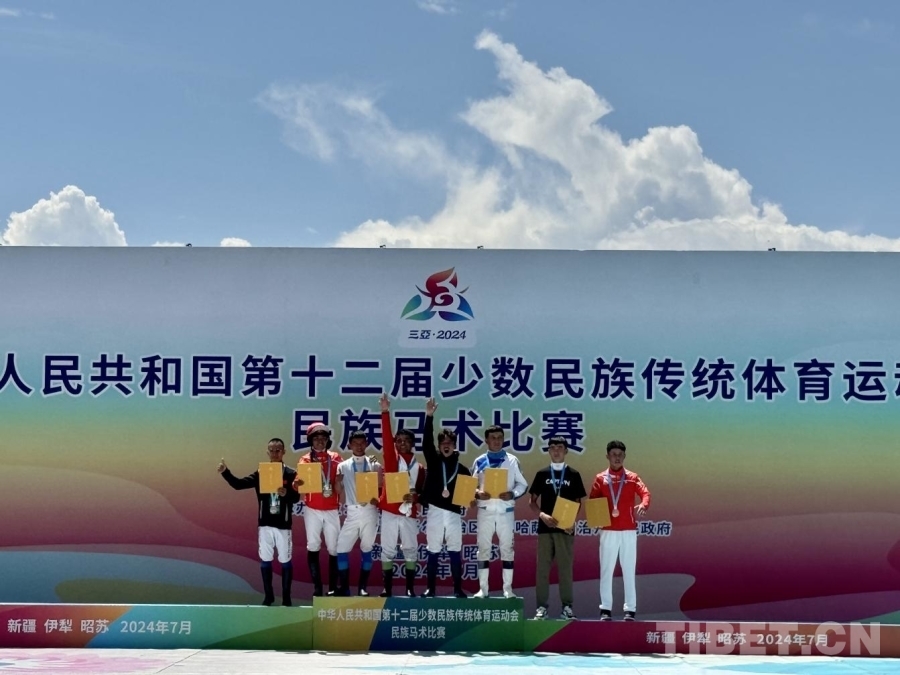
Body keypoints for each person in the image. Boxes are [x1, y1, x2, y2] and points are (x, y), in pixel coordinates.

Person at [217, 438, 300, 606]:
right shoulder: (261, 472)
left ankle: (286, 598)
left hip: (283, 525)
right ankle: (268, 597)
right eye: (272, 450)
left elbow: (296, 498)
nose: (275, 453)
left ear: (284, 452)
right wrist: (226, 472)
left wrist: (287, 494)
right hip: (265, 524)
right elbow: (239, 484)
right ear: (267, 452)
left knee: (285, 560)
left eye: (278, 450)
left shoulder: (291, 473)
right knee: (265, 560)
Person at [589, 439, 651, 621]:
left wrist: (644, 504)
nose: (617, 458)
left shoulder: (632, 477)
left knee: (629, 570)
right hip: (608, 531)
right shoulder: (600, 478)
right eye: (613, 454)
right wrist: (595, 518)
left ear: (624, 456)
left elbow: (645, 493)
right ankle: (605, 608)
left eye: (620, 455)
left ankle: (630, 609)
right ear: (607, 456)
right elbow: (593, 500)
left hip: (628, 531)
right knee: (606, 570)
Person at [528, 436, 587, 620]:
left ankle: (567, 607)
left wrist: (571, 522)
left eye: (560, 447)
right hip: (545, 528)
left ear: (566, 450)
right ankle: (541, 608)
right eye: (552, 447)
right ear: (548, 451)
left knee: (565, 570)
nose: (556, 450)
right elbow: (532, 501)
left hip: (565, 529)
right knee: (542, 570)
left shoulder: (574, 474)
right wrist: (542, 515)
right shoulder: (542, 474)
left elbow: (578, 502)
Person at [420, 397, 471, 598]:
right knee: (433, 549)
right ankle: (430, 589)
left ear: (455, 445)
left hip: (454, 514)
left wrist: (472, 498)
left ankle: (457, 589)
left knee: (454, 549)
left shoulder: (463, 470)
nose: (446, 446)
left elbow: (467, 497)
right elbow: (426, 442)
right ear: (439, 446)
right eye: (443, 443)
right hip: (434, 511)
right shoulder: (434, 461)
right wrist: (429, 417)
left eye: (449, 443)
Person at [471, 425, 528, 598]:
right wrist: (477, 493)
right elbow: (470, 486)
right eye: (493, 438)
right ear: (486, 440)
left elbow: (522, 484)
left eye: (499, 437)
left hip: (505, 512)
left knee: (507, 550)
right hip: (485, 511)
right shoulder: (479, 461)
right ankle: (483, 589)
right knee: (483, 549)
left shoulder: (512, 460)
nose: (496, 441)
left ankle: (507, 589)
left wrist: (513, 494)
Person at [377, 393, 426, 597]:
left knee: (410, 549)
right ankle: (387, 589)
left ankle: (409, 589)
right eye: (399, 440)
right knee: (387, 548)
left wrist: (416, 498)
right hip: (390, 510)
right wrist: (385, 412)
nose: (402, 443)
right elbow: (386, 438)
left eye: (406, 440)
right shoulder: (391, 460)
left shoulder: (420, 467)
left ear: (413, 443)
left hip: (409, 513)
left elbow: (422, 493)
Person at [293, 422, 343, 597]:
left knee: (334, 548)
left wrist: (339, 481)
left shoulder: (336, 458)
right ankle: (317, 588)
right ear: (311, 441)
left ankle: (332, 587)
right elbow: (298, 486)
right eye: (316, 438)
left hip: (331, 509)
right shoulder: (305, 460)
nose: (320, 441)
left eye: (323, 438)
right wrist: (296, 484)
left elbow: (340, 486)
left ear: (328, 440)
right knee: (313, 545)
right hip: (312, 509)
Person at [333, 429, 382, 596]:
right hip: (352, 511)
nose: (359, 446)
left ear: (367, 444)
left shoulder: (374, 462)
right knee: (341, 548)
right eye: (355, 443)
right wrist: (337, 482)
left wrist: (378, 499)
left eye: (362, 443)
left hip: (370, 511)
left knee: (367, 548)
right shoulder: (343, 465)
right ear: (349, 445)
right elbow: (338, 491)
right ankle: (345, 588)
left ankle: (362, 588)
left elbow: (382, 486)